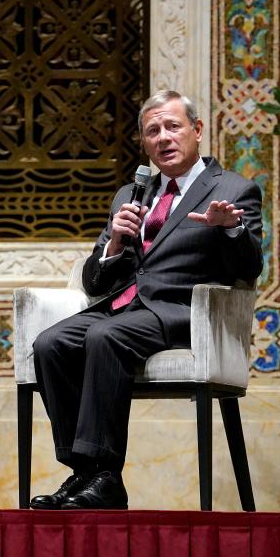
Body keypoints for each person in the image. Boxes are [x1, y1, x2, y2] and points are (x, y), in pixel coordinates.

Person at [29, 90, 263, 510]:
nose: (164, 138)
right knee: (50, 344)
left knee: (105, 336)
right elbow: (95, 282)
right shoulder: (130, 194)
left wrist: (230, 229)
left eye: (173, 126)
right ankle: (88, 473)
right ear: (144, 144)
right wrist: (116, 241)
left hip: (181, 310)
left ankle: (100, 476)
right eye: (153, 131)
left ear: (197, 130)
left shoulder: (232, 188)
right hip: (124, 307)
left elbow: (248, 269)